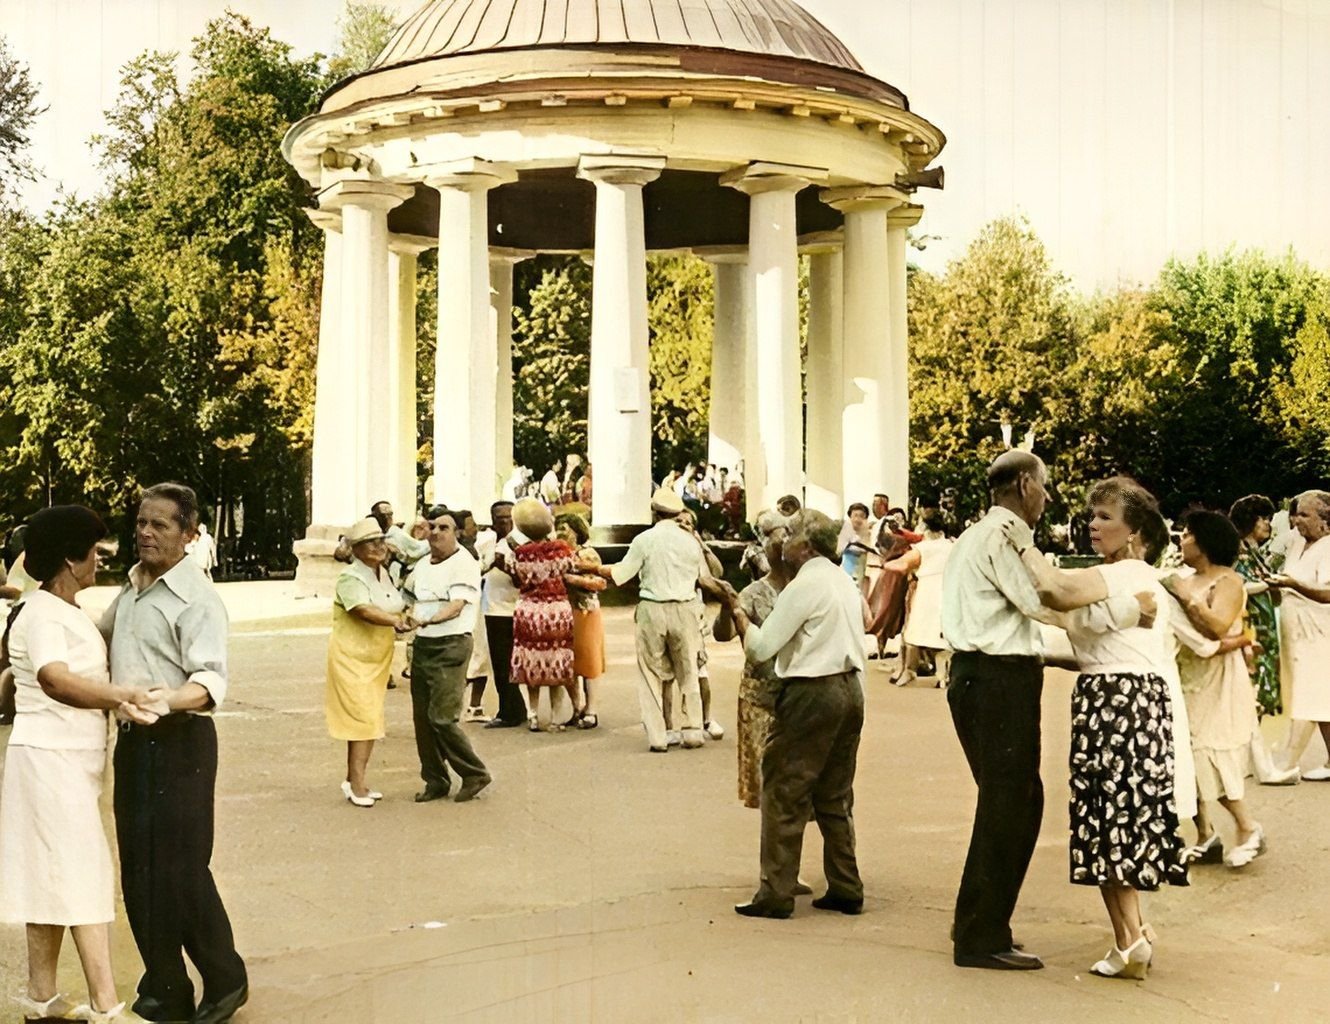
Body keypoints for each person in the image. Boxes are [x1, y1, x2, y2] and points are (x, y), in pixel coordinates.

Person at [940, 453, 1153, 971]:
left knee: (1015, 802)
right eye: (1045, 486)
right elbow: (1046, 598)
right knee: (1010, 805)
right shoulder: (1006, 535)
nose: (1050, 497)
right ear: (1023, 483)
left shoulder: (976, 535)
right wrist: (1131, 610)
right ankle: (979, 935)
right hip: (998, 680)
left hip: (982, 675)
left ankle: (983, 923)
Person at [1007, 478, 1187, 979]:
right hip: (1127, 700)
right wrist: (1044, 655)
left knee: (1108, 819)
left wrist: (1020, 542)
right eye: (1093, 515)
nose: (1093, 524)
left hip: (1116, 706)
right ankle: (1133, 933)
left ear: (1136, 532)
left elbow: (1054, 593)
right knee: (1119, 817)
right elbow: (1100, 650)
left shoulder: (1127, 571)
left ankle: (1129, 941)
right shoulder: (1127, 578)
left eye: (1105, 516)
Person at [0, 507, 157, 1023]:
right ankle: (107, 1006)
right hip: (50, 761)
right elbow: (53, 679)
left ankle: (40, 999)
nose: (100, 559)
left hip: (62, 761)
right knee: (86, 878)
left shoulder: (60, 608)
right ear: (71, 557)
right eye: (95, 551)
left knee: (51, 880)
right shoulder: (44, 612)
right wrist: (121, 695)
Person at [102, 483, 248, 1024]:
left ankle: (226, 978)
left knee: (181, 869)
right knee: (138, 871)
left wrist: (164, 701)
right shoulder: (133, 586)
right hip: (134, 743)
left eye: (160, 524)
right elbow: (101, 639)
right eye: (141, 522)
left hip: (181, 741)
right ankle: (165, 985)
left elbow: (209, 682)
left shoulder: (199, 599)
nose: (144, 532)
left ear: (190, 535)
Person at [721, 509, 868, 919]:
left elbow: (761, 648)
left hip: (810, 691)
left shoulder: (804, 585)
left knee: (785, 789)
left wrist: (739, 614)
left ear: (804, 547)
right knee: (835, 793)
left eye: (789, 535)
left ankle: (776, 891)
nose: (782, 542)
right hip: (849, 687)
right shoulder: (842, 581)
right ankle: (845, 884)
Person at [1164, 510, 1268, 866]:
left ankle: (1247, 827)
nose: (1182, 538)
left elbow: (1219, 627)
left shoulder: (1228, 581)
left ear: (1207, 541)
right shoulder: (1180, 577)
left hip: (1219, 680)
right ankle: (1206, 834)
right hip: (1185, 675)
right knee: (1185, 752)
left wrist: (1185, 597)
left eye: (1189, 534)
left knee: (1210, 751)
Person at [596, 487, 711, 751]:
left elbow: (622, 573)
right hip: (686, 607)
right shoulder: (690, 541)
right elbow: (700, 576)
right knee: (688, 671)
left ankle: (658, 736)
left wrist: (595, 568)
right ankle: (693, 730)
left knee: (650, 673)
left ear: (654, 512)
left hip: (653, 607)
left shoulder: (644, 540)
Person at [403, 508, 491, 803]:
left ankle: (474, 772)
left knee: (442, 717)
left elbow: (457, 606)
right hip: (424, 645)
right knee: (423, 720)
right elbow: (410, 595)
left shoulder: (464, 563)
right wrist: (406, 617)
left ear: (457, 533)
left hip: (451, 644)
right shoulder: (423, 564)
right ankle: (435, 779)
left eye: (444, 527)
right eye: (433, 527)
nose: (437, 532)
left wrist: (426, 620)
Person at [325, 517, 410, 807]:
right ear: (357, 549)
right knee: (363, 720)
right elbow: (362, 609)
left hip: (376, 658)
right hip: (352, 658)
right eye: (370, 543)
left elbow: (394, 602)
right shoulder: (351, 577)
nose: (379, 547)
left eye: (381, 540)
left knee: (370, 719)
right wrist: (394, 621)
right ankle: (356, 784)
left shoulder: (382, 573)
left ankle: (355, 779)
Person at [713, 510, 790, 808]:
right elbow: (723, 634)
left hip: (796, 691)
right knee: (765, 785)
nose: (782, 546)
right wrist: (727, 605)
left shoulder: (804, 587)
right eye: (774, 538)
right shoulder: (753, 593)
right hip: (761, 694)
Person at [1228, 494, 1300, 786]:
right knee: (1254, 690)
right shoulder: (1237, 550)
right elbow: (1238, 583)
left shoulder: (1254, 549)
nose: (1268, 524)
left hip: (1263, 623)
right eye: (1264, 519)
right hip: (1250, 625)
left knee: (1260, 690)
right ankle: (1248, 758)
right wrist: (1270, 583)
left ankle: (1248, 756)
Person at [509, 498, 592, 729]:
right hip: (556, 608)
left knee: (532, 661)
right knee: (556, 662)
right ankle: (557, 717)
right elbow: (573, 567)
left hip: (528, 609)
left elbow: (516, 578)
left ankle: (533, 714)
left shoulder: (520, 553)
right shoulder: (561, 550)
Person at [1267, 490, 1330, 780]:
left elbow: (1327, 593)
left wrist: (1293, 583)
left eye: (1304, 514)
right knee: (1319, 697)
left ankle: (1287, 763)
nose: (1295, 520)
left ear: (1325, 522)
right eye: (1295, 513)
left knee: (1309, 695)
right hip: (1296, 630)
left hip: (1318, 631)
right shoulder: (1296, 543)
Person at [555, 512, 607, 729]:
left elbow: (600, 582)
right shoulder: (556, 554)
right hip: (562, 611)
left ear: (576, 531)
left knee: (588, 660)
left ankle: (591, 709)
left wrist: (571, 578)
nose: (559, 532)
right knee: (568, 662)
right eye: (557, 527)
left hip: (585, 611)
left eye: (564, 528)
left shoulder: (588, 554)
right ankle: (577, 707)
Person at [481, 501, 530, 728]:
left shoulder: (522, 542)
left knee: (511, 662)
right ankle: (509, 707)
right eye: (499, 518)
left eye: (508, 517)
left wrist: (505, 567)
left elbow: (525, 580)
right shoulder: (489, 542)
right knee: (500, 664)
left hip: (513, 609)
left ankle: (513, 711)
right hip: (493, 608)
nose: (504, 522)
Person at [895, 510, 955, 687]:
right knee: (939, 634)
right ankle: (941, 676)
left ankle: (910, 670)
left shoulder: (924, 548)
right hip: (946, 590)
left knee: (915, 631)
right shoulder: (952, 545)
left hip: (927, 590)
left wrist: (886, 565)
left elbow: (904, 564)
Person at [836, 502, 874, 586]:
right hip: (846, 568)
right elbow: (838, 551)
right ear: (850, 517)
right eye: (855, 515)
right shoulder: (844, 532)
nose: (858, 519)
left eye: (861, 516)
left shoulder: (870, 534)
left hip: (864, 569)